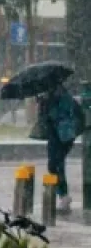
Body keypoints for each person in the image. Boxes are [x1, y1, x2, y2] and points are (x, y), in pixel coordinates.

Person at [39, 81, 84, 213]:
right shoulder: (48, 98)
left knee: (56, 165)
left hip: (63, 136)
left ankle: (63, 196)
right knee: (54, 165)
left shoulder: (63, 97)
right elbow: (45, 120)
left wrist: (49, 108)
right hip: (54, 136)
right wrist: (42, 106)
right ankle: (63, 196)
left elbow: (62, 116)